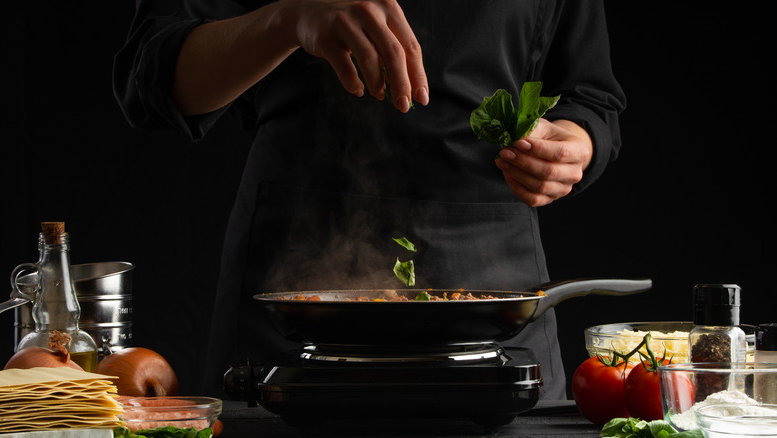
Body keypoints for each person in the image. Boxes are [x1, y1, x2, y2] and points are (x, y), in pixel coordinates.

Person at [113, 0, 625, 400]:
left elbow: (592, 96)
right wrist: (289, 18)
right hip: (297, 288)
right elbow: (153, 76)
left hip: (494, 295)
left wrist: (577, 142)